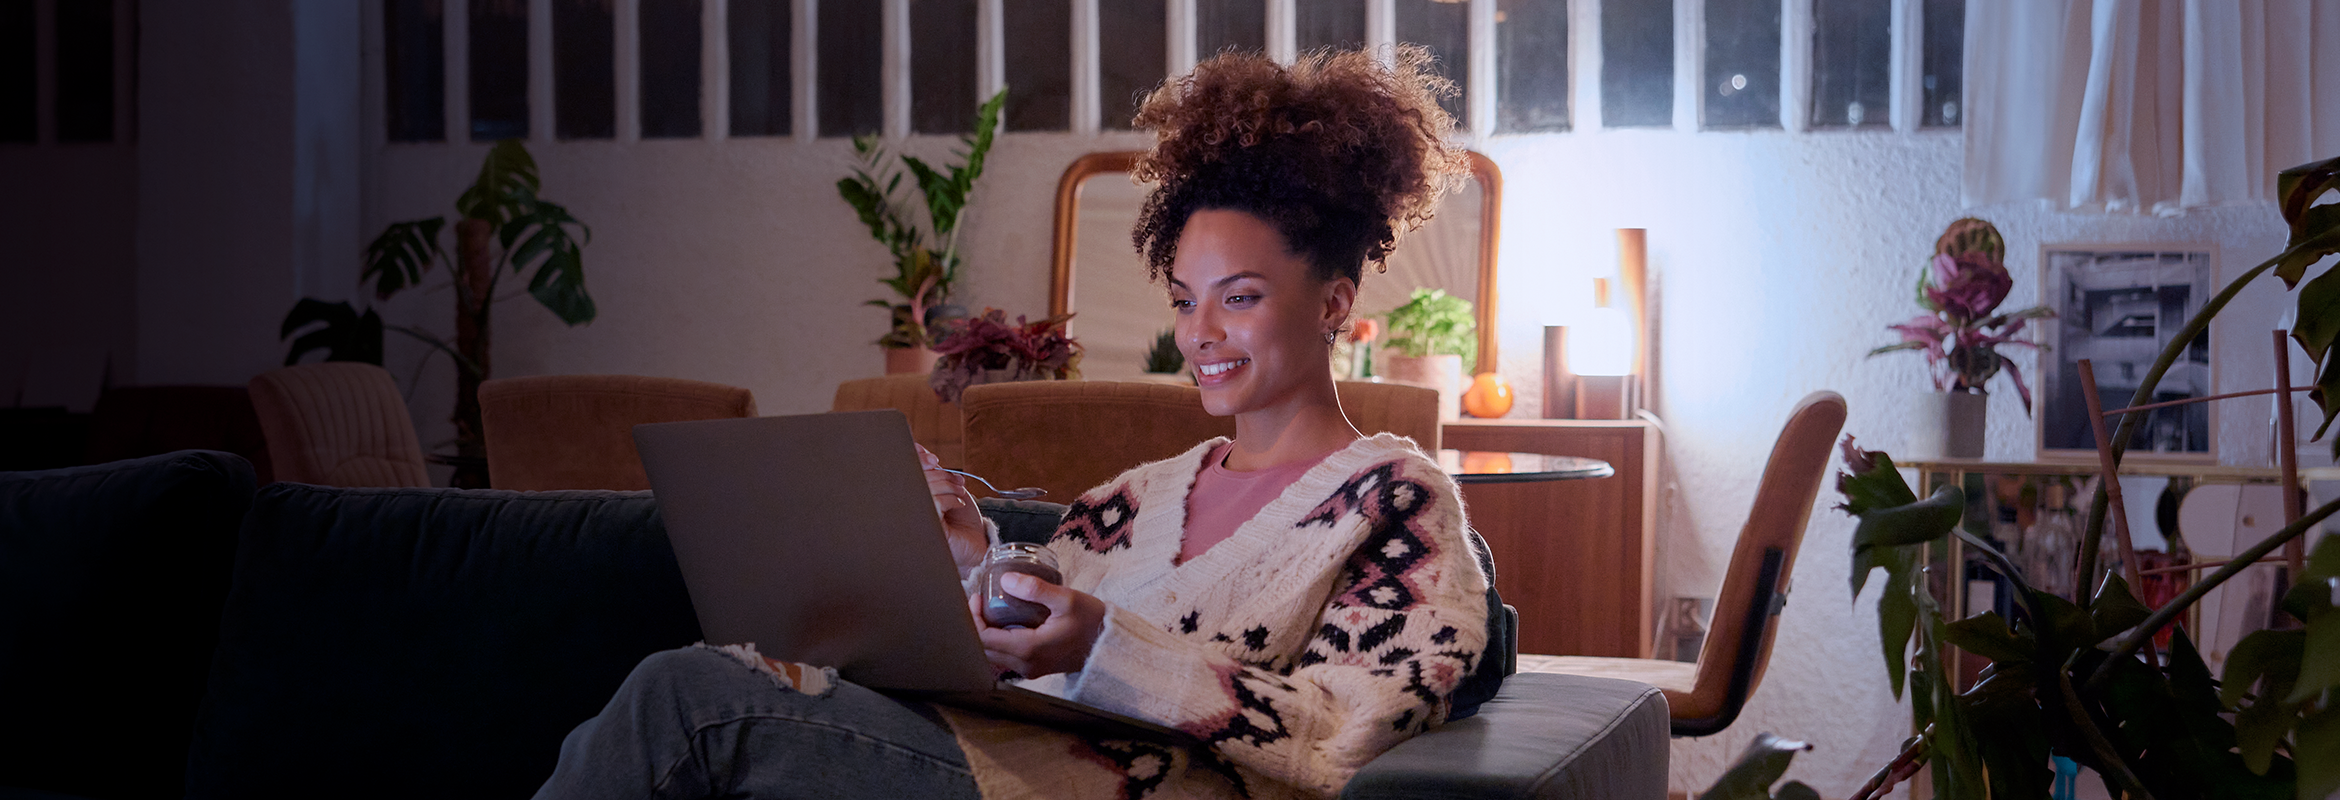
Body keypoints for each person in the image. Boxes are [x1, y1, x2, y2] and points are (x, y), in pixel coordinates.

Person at [535, 46, 1486, 800]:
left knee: (691, 701)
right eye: (1184, 300)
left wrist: (1107, 651)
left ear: (1332, 303)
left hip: (1148, 792)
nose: (1201, 335)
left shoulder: (1395, 506)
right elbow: (1025, 645)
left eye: (1238, 298)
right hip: (997, 759)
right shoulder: (1133, 498)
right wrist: (954, 556)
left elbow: (1344, 733)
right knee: (704, 675)